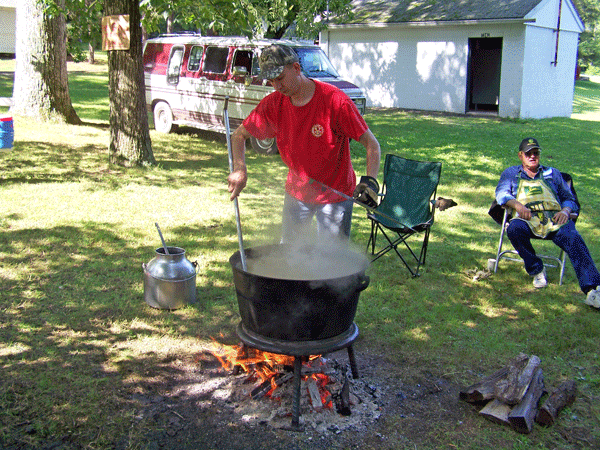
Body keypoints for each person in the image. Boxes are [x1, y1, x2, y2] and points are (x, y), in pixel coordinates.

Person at [227, 44, 381, 243]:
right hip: (297, 193)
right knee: (290, 255)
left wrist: (370, 182)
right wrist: (240, 169)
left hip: (335, 195)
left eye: (280, 78)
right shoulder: (274, 104)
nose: (277, 86)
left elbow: (372, 144)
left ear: (296, 68)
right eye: (272, 81)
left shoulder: (334, 101)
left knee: (332, 261)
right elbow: (238, 136)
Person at [495, 137, 600, 308]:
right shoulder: (511, 174)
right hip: (526, 219)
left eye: (536, 153)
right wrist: (517, 205)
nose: (533, 156)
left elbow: (569, 198)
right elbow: (501, 194)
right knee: (513, 229)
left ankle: (593, 289)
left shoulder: (553, 174)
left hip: (554, 220)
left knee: (573, 238)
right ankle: (536, 269)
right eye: (528, 153)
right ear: (520, 155)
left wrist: (565, 211)